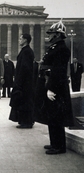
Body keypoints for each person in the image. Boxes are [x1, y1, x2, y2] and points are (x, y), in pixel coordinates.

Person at [34, 20, 74, 154]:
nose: (49, 36)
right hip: (49, 83)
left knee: (57, 116)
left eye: (51, 33)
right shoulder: (55, 47)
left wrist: (52, 88)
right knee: (51, 115)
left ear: (57, 34)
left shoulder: (62, 49)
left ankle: (59, 146)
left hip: (56, 86)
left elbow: (58, 70)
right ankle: (54, 143)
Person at [9, 34, 34, 128]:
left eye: (20, 39)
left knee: (24, 101)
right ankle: (24, 120)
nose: (19, 40)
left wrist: (19, 81)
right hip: (24, 81)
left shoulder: (27, 51)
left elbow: (25, 68)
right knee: (23, 101)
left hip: (24, 82)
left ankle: (26, 122)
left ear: (25, 40)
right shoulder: (25, 51)